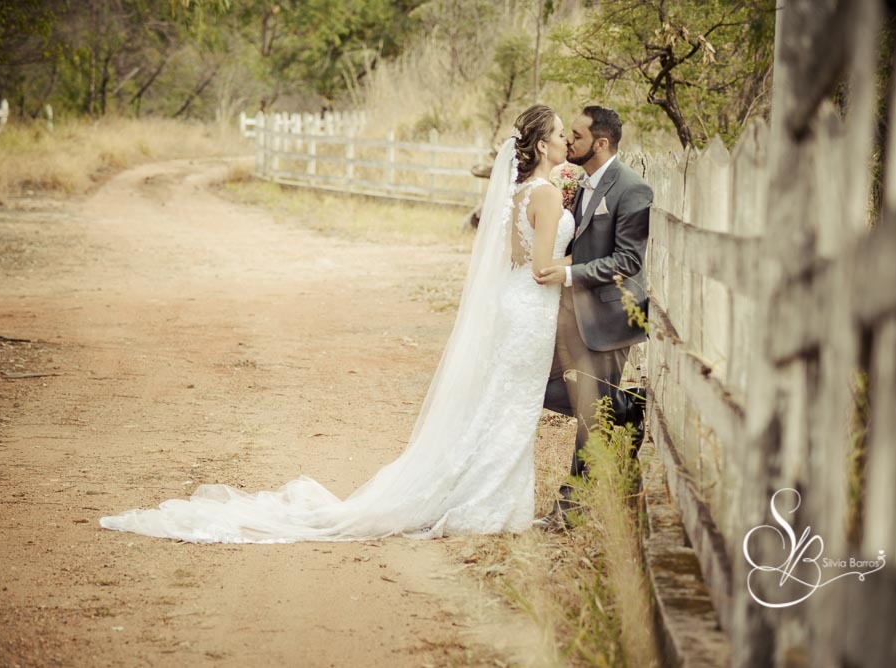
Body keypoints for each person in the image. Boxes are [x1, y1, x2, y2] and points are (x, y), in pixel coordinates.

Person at [99, 104, 575, 543]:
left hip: (515, 308)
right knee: (512, 409)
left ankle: (487, 498)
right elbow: (539, 268)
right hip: (530, 312)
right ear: (540, 146)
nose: (564, 141)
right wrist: (581, 262)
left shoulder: (519, 193)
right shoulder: (548, 195)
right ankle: (490, 505)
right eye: (558, 134)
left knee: (502, 407)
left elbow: (514, 258)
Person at [534, 106, 653, 529]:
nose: (569, 142)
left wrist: (568, 274)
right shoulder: (578, 183)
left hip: (609, 318)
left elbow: (627, 261)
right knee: (538, 384)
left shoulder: (632, 189)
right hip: (571, 314)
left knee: (589, 416)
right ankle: (628, 408)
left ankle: (570, 509)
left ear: (600, 143)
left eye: (578, 135)